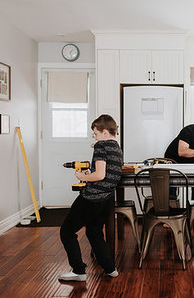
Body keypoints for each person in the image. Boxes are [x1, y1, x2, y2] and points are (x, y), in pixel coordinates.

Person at [58, 114, 123, 282]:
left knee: (67, 231)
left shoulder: (101, 146)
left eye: (95, 133)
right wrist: (90, 174)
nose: (94, 137)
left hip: (92, 198)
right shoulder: (116, 146)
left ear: (105, 132)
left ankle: (79, 271)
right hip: (106, 198)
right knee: (94, 232)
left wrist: (83, 177)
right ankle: (110, 269)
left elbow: (100, 175)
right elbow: (106, 174)